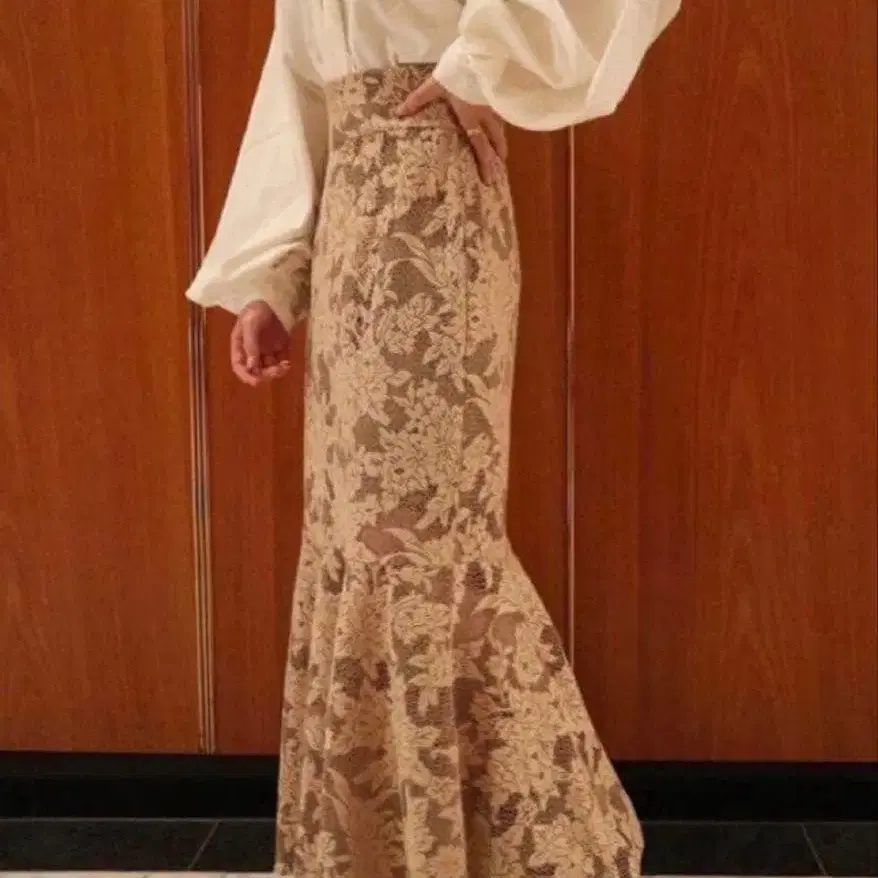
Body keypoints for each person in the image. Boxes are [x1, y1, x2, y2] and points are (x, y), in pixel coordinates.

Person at [186, 1, 680, 875]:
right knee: (354, 535)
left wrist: (485, 62)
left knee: (420, 542)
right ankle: (383, 849)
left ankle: (536, 849)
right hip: (348, 229)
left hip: (436, 198)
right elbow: (296, 85)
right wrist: (274, 280)